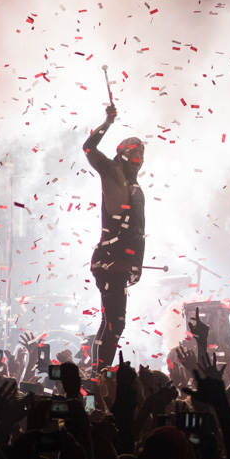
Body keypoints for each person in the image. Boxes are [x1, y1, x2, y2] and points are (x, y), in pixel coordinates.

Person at [82, 103, 146, 370]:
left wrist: (136, 265)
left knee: (111, 321)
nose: (138, 156)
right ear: (121, 154)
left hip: (120, 262)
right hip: (111, 260)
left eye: (141, 152)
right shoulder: (112, 172)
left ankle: (97, 371)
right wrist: (107, 122)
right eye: (133, 151)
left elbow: (138, 232)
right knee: (115, 322)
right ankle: (99, 373)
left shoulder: (133, 186)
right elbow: (88, 148)